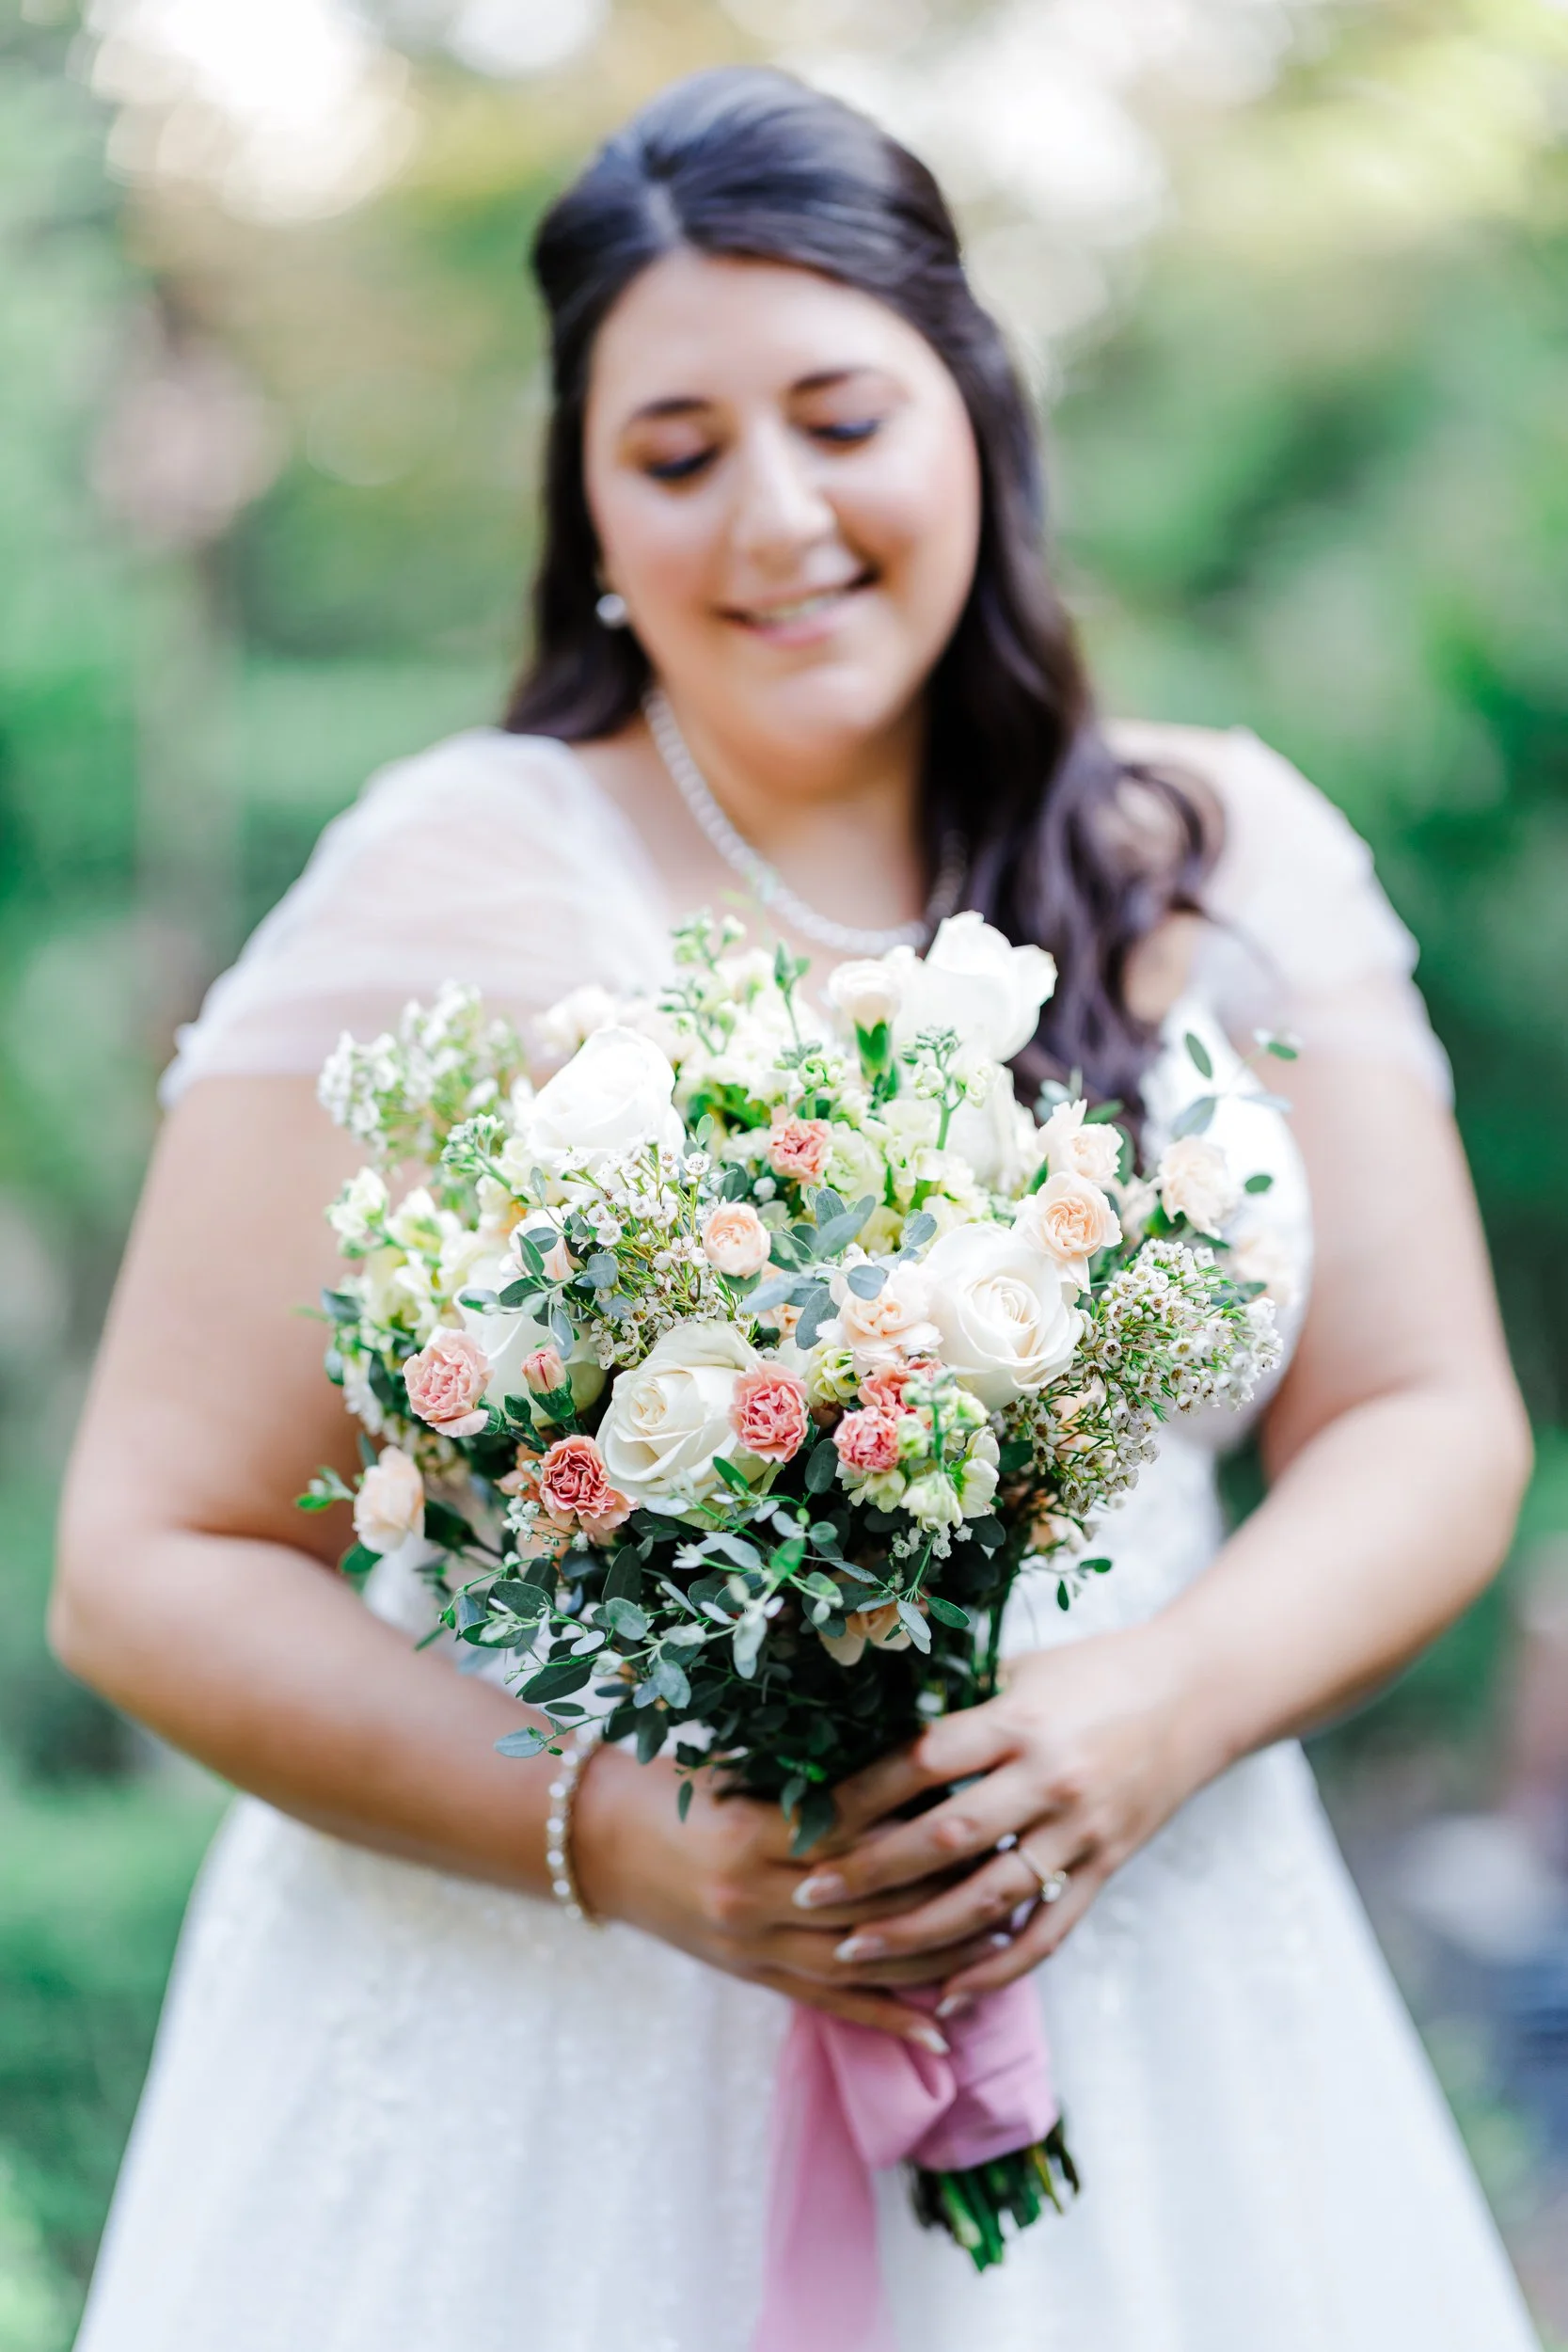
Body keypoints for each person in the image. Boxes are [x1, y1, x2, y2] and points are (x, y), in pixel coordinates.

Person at [53, 65, 1540, 2352]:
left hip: (1160, 1987)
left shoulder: (1217, 859)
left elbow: (1431, 1416)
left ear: (972, 407)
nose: (770, 518)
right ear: (584, 505)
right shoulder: (441, 885)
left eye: (839, 416)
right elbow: (145, 1553)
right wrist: (620, 1834)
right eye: (671, 454)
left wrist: (1149, 1709)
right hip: (542, 2067)